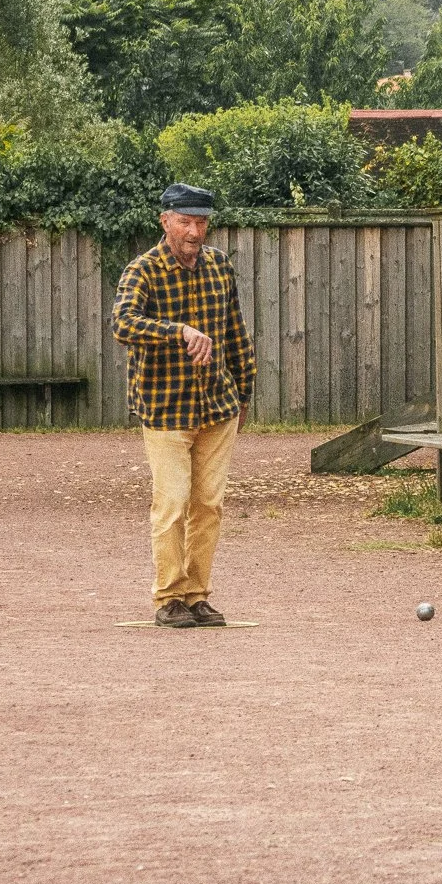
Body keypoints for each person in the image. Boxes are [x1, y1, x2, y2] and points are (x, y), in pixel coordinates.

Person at [116, 183, 260, 628]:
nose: (194, 231)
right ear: (165, 221)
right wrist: (178, 331)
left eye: (201, 222)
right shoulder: (143, 270)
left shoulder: (219, 266)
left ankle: (197, 595)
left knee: (208, 506)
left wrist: (245, 392)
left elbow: (234, 330)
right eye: (185, 222)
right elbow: (123, 323)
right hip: (165, 409)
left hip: (218, 406)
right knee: (172, 505)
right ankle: (168, 598)